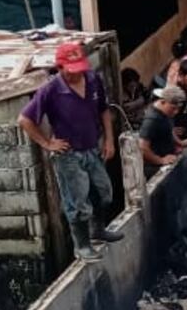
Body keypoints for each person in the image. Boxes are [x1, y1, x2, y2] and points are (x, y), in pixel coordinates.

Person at [18, 41, 121, 263]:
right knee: (77, 201)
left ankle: (98, 230)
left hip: (92, 147)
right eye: (71, 70)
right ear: (60, 67)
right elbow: (24, 119)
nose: (76, 75)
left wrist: (109, 140)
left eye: (79, 69)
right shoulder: (50, 90)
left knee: (104, 191)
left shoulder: (93, 79)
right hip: (69, 154)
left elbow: (104, 110)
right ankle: (82, 246)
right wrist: (47, 143)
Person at [138, 85, 187, 170]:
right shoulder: (152, 120)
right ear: (163, 102)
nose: (176, 112)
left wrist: (180, 142)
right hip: (156, 167)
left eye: (178, 109)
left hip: (170, 156)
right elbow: (142, 147)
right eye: (173, 108)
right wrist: (160, 160)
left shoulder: (167, 112)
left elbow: (170, 128)